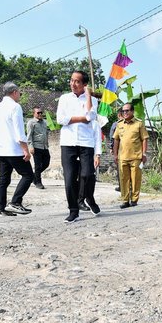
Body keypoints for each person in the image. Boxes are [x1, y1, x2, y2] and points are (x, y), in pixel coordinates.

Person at [56, 70, 99, 223]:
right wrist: (81, 118)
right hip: (67, 143)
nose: (73, 84)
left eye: (77, 81)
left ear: (84, 84)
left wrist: (88, 96)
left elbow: (91, 117)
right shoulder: (64, 98)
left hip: (86, 143)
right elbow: (61, 119)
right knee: (69, 180)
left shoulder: (92, 100)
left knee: (87, 175)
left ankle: (89, 198)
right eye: (71, 80)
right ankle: (73, 210)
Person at [0, 82, 34, 216]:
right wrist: (26, 150)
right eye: (19, 93)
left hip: (1, 149)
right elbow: (19, 132)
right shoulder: (15, 107)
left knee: (4, 179)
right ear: (15, 92)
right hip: (14, 149)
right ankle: (15, 202)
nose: (20, 95)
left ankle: (1, 208)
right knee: (28, 175)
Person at [113, 102, 149, 209]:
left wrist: (144, 153)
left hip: (136, 157)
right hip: (122, 157)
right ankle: (125, 200)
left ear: (132, 111)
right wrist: (115, 154)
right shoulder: (119, 124)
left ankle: (134, 199)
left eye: (127, 110)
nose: (125, 112)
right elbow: (116, 140)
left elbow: (144, 139)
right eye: (123, 111)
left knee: (135, 179)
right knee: (124, 179)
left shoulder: (139, 123)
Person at [78, 119, 102, 213]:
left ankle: (90, 199)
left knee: (89, 177)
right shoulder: (73, 122)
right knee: (76, 179)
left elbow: (97, 139)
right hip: (74, 154)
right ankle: (79, 201)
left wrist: (97, 155)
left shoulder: (94, 123)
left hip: (88, 155)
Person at [26, 107, 50, 189]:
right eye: (38, 113)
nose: (40, 114)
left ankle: (34, 176)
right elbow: (29, 136)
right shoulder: (31, 123)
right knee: (38, 165)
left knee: (46, 163)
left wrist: (47, 145)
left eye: (41, 112)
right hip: (36, 147)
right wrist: (30, 146)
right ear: (34, 113)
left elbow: (46, 134)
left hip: (44, 147)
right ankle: (38, 182)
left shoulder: (44, 122)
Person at [109, 109, 123, 192]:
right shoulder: (130, 124)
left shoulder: (115, 124)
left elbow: (112, 137)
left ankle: (121, 187)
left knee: (119, 168)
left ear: (118, 115)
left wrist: (111, 148)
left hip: (117, 149)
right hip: (129, 149)